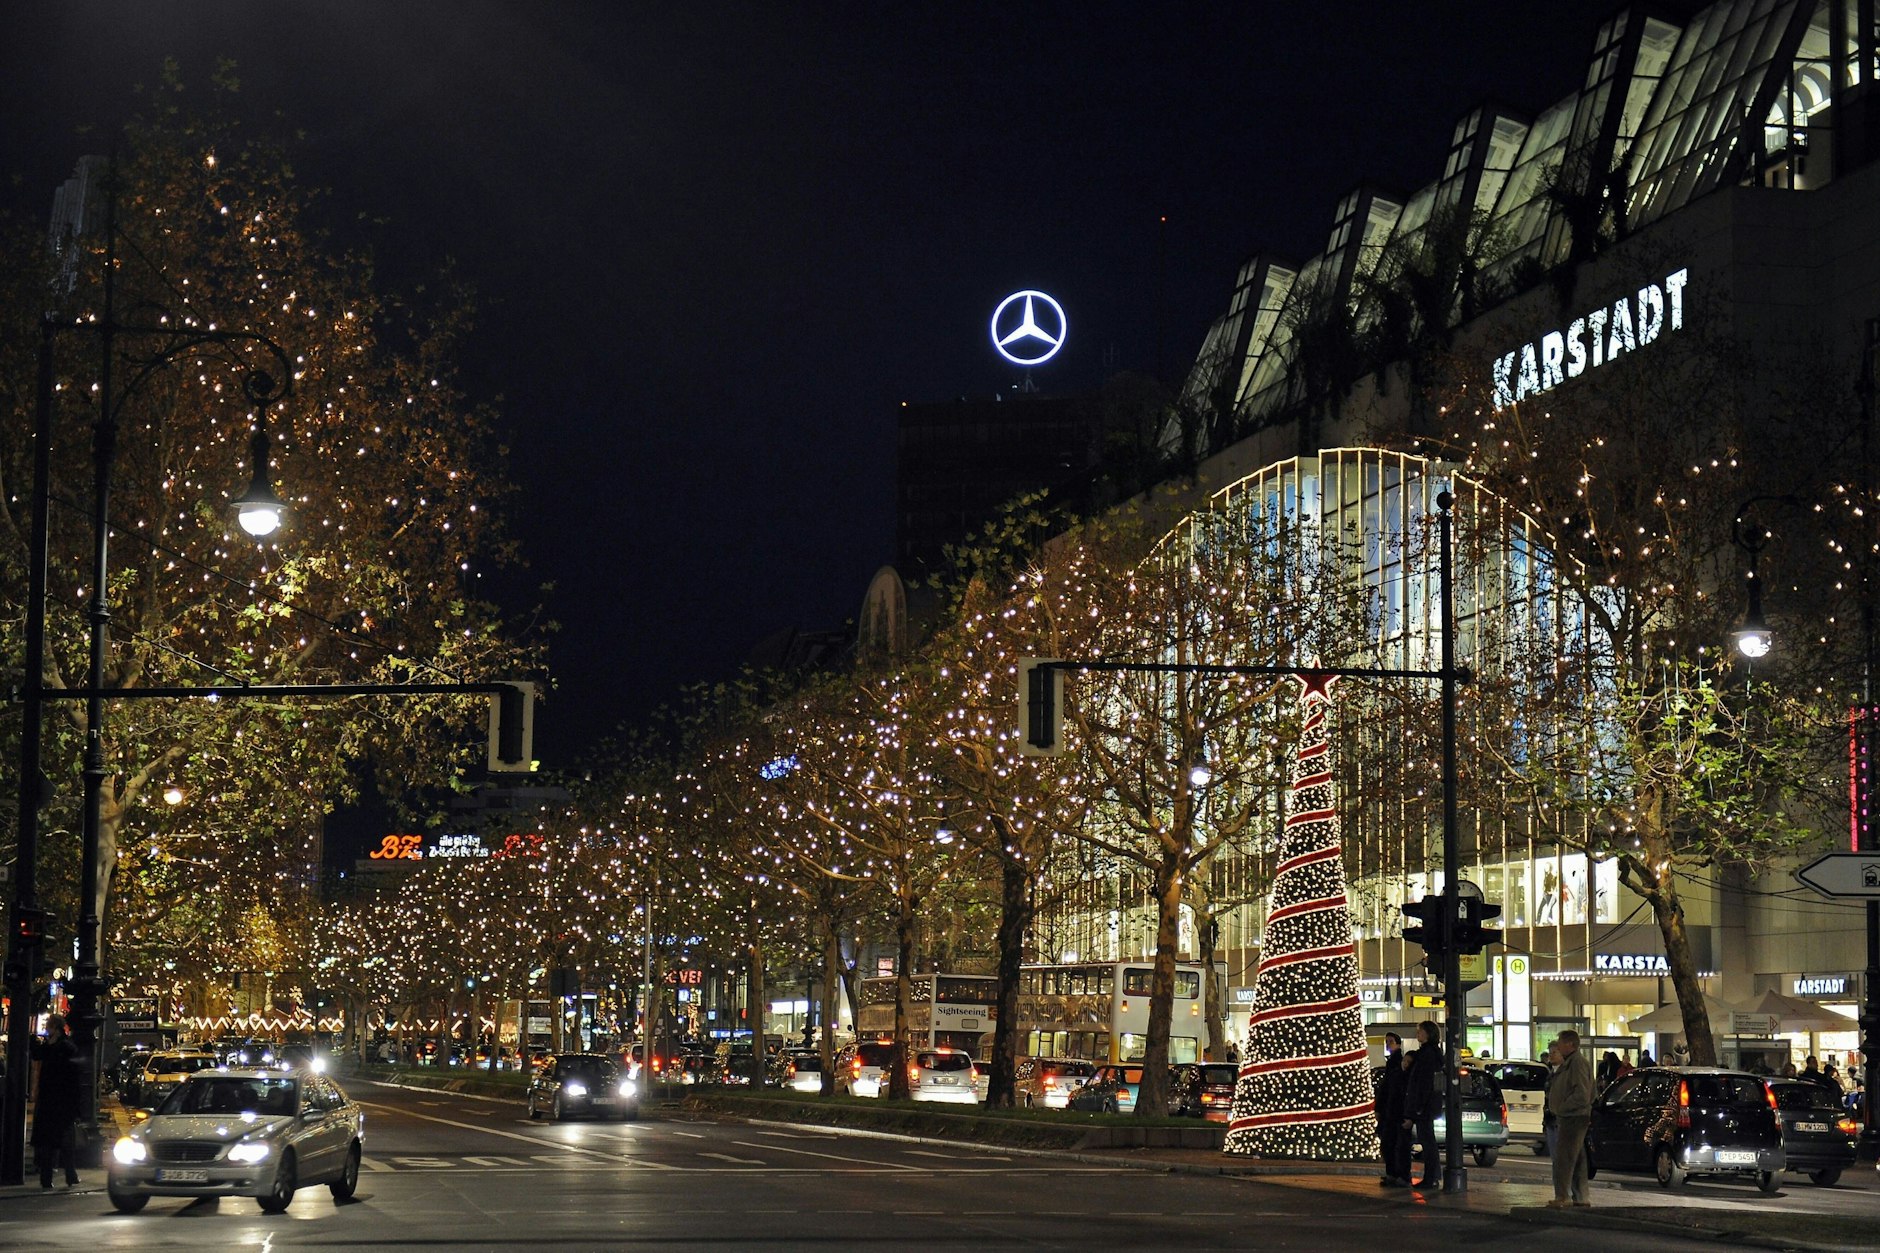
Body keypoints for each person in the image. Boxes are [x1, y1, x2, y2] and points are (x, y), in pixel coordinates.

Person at [1544, 1028, 1595, 1209]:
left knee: (1564, 1158)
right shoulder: (1573, 1063)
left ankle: (1563, 1196)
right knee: (1577, 1158)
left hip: (1573, 1117)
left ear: (1569, 1044)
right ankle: (1580, 1197)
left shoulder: (1576, 1064)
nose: (1557, 1046)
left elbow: (1582, 1093)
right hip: (1573, 1116)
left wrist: (1562, 1108)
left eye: (1560, 1043)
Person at [31, 1015, 82, 1188]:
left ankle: (65, 1175)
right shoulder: (55, 1046)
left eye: (48, 1026)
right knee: (52, 1142)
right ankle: (55, 1177)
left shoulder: (64, 1048)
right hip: (52, 1101)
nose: (46, 1029)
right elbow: (37, 1054)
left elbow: (72, 1077)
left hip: (59, 1101)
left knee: (60, 1141)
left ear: (55, 1028)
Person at [1402, 1020, 1444, 1189]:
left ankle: (1431, 1178)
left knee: (1428, 1142)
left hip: (1424, 1106)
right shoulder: (1431, 1053)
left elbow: (1423, 1084)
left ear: (1428, 1034)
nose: (1417, 1034)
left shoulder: (1427, 1055)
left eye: (1420, 1031)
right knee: (1427, 1141)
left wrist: (1417, 1108)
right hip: (1427, 1105)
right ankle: (1433, 1176)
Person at [1376, 1033, 1411, 1187]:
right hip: (1390, 1109)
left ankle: (1396, 1174)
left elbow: (1389, 1088)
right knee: (1389, 1143)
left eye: (1390, 1042)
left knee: (1393, 1143)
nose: (1388, 1044)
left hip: (1394, 1110)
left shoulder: (1396, 1063)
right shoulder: (1392, 1062)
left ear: (1398, 1044)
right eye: (1386, 1042)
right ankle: (1393, 1174)